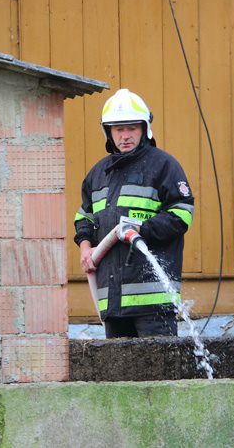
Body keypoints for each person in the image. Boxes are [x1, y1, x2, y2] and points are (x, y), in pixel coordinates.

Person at [73, 89, 194, 338]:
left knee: (161, 372)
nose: (125, 136)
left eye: (131, 128)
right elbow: (84, 217)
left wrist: (142, 230)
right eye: (118, 129)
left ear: (144, 129)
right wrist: (85, 248)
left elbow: (181, 214)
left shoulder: (164, 166)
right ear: (108, 132)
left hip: (153, 299)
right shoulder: (97, 174)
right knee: (119, 376)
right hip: (112, 300)